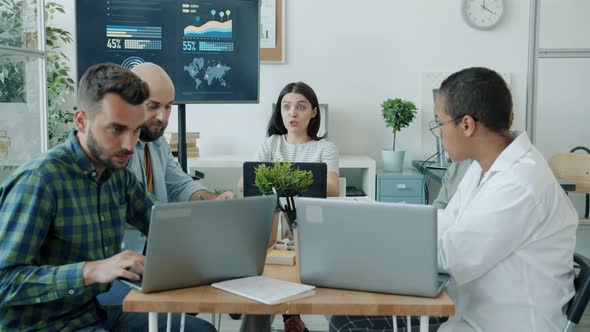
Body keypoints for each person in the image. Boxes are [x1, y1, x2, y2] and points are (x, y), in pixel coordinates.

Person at [330, 67, 578, 332]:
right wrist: (379, 218)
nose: (439, 132)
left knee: (351, 326)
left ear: (467, 125)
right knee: (345, 319)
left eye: (440, 122)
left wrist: (370, 240)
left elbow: (449, 258)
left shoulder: (519, 182)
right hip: (468, 310)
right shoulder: (483, 167)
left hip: (502, 324)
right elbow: (446, 221)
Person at [0, 63, 215, 331]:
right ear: (81, 121)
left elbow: (165, 224)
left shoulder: (117, 175)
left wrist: (220, 235)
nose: (128, 144)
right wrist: (90, 270)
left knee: (202, 330)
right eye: (116, 129)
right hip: (42, 325)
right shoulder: (40, 181)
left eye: (136, 130)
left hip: (93, 315)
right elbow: (4, 281)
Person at [98, 62, 235, 307]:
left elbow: (179, 185)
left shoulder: (156, 141)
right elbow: (116, 211)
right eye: (153, 106)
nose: (162, 117)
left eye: (168, 106)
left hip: (153, 259)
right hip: (117, 269)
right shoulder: (113, 149)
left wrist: (213, 201)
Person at [240, 82, 339, 332]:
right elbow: (245, 182)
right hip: (271, 227)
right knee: (266, 265)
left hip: (311, 227)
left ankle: (290, 315)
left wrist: (280, 178)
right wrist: (296, 179)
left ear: (314, 112)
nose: (292, 113)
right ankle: (287, 316)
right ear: (280, 112)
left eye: (300, 107)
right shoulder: (270, 144)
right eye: (286, 107)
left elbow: (333, 187)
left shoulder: (324, 148)